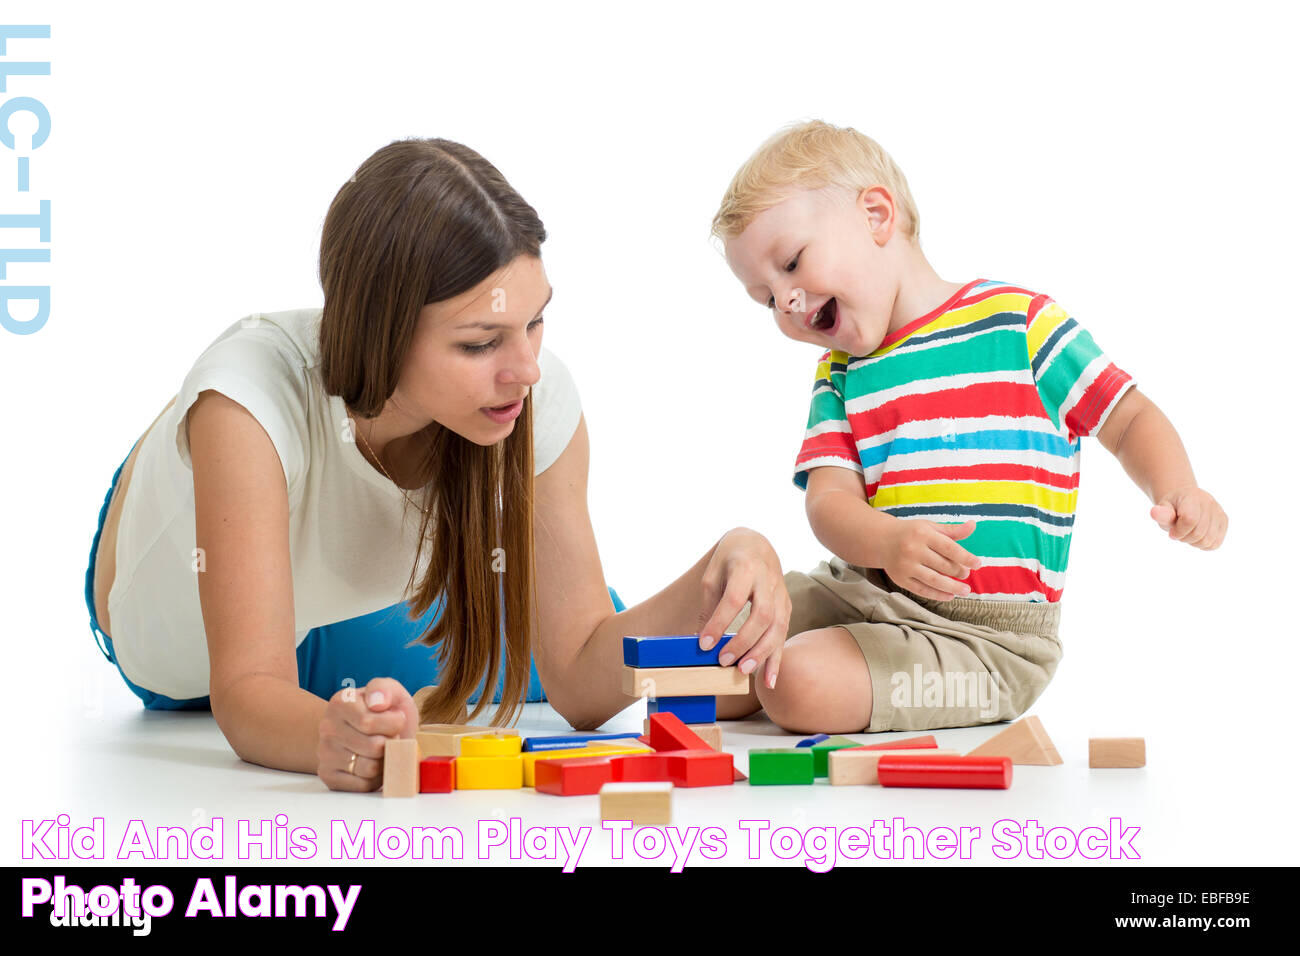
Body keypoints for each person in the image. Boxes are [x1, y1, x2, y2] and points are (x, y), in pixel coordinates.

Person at [85, 137, 792, 792]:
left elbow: (579, 678)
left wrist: (727, 562)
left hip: (340, 598)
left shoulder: (530, 400)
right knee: (508, 650)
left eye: (535, 321)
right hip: (176, 644)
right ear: (382, 334)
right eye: (482, 342)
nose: (527, 371)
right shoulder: (247, 407)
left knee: (564, 640)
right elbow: (244, 691)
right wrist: (333, 738)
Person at [713, 119, 1228, 735]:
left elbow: (1128, 417)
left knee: (794, 682)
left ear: (877, 215)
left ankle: (823, 673)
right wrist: (885, 544)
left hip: (985, 641)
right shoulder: (840, 375)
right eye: (766, 298)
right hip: (859, 592)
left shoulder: (1019, 325)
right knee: (704, 649)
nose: (788, 302)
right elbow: (828, 503)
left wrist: (1178, 489)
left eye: (792, 263)